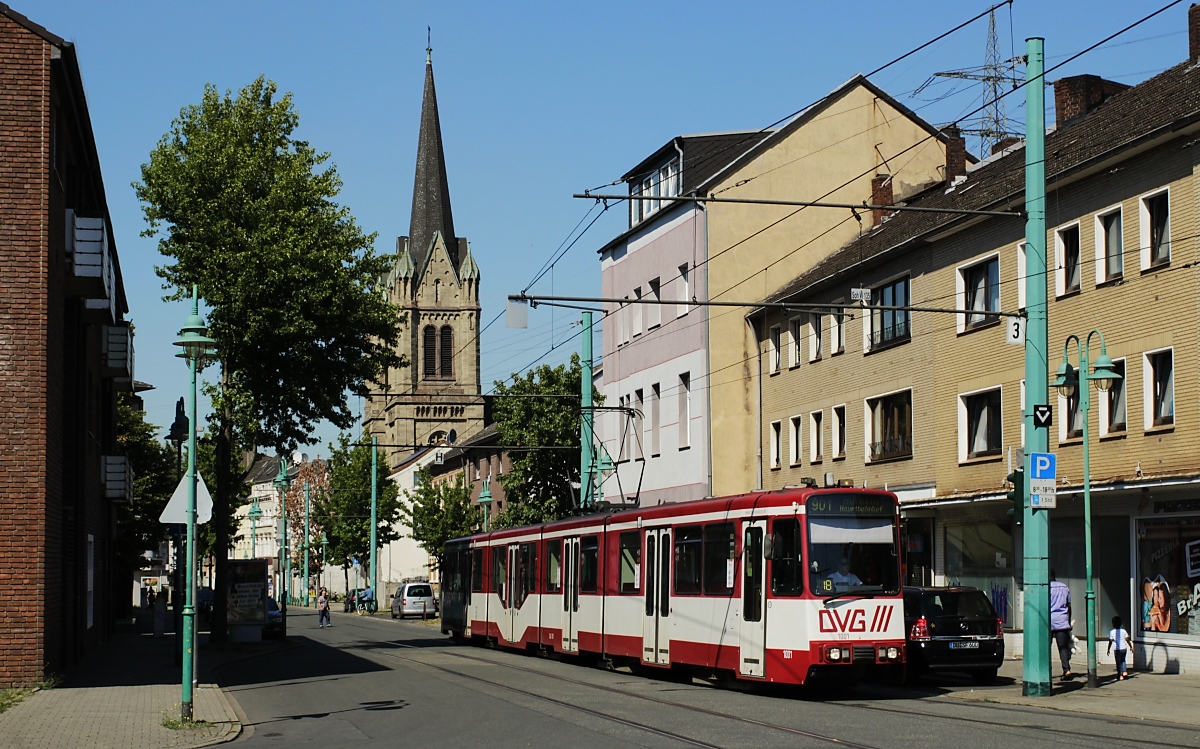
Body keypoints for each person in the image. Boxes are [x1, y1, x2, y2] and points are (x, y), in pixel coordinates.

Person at [1049, 570, 1073, 679]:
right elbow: (1069, 606)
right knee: (1063, 647)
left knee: (1046, 648)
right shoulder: (1064, 587)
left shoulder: (1045, 588)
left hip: (1048, 621)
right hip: (1062, 621)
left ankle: (1047, 670)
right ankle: (1066, 670)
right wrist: (1068, 621)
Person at [1107, 615, 1130, 680]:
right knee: (1123, 660)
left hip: (1117, 649)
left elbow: (1110, 641)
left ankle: (1120, 675)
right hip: (1124, 648)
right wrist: (1130, 646)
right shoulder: (1123, 631)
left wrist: (1108, 649)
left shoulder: (1112, 632)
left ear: (1113, 624)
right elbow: (1127, 639)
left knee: (1118, 662)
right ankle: (1124, 671)